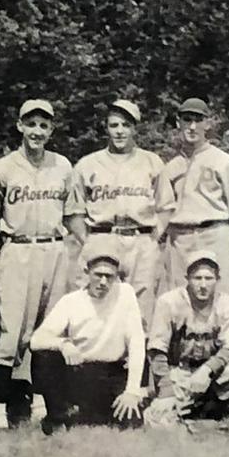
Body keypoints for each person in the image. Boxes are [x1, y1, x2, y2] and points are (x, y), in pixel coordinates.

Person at [0, 99, 85, 433]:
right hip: (17, 249)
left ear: (51, 130)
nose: (37, 131)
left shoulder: (63, 166)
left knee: (50, 330)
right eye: (31, 124)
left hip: (54, 250)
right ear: (20, 126)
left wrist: (88, 249)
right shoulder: (1, 169)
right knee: (9, 334)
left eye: (44, 125)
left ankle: (43, 404)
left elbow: (73, 215)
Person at [28, 239, 145, 433]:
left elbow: (136, 341)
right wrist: (63, 344)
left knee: (131, 422)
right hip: (80, 371)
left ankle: (97, 410)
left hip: (111, 371)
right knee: (44, 355)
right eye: (98, 275)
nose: (103, 282)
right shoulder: (71, 301)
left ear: (117, 276)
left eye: (109, 276)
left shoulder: (126, 294)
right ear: (87, 272)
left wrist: (132, 391)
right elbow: (36, 340)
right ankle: (57, 416)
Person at [74, 99, 164, 327]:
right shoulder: (88, 164)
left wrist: (153, 239)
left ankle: (139, 349)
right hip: (103, 236)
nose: (120, 131)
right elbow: (74, 211)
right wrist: (89, 241)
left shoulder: (151, 162)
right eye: (114, 125)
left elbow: (166, 206)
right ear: (106, 128)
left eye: (126, 125)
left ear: (135, 128)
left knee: (142, 307)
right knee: (98, 306)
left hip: (140, 239)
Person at [144, 250, 229, 424]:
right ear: (187, 278)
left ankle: (210, 407)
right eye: (197, 278)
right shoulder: (169, 302)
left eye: (209, 278)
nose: (203, 285)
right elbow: (156, 350)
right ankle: (185, 409)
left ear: (217, 279)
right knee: (159, 421)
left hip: (211, 373)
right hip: (179, 372)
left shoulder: (226, 304)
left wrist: (206, 370)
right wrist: (166, 390)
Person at [157, 98, 229, 300]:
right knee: (179, 295)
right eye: (187, 120)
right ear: (178, 123)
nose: (192, 127)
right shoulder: (170, 167)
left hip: (214, 233)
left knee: (224, 294)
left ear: (207, 124)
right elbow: (164, 211)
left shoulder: (224, 161)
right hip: (180, 238)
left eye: (198, 120)